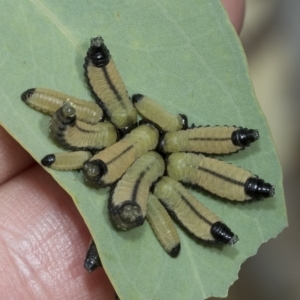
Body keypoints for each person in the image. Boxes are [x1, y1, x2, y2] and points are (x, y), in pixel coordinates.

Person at [0, 1, 245, 298]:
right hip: (123, 151)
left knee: (122, 138)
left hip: (127, 155)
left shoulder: (141, 151)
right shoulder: (135, 138)